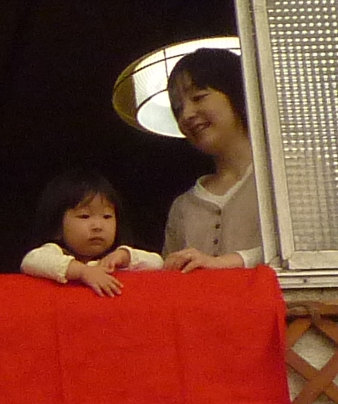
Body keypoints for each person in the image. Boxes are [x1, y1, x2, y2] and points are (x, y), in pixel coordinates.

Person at [162, 48, 261, 272]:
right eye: (178, 108)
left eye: (198, 97)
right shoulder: (182, 207)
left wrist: (229, 262)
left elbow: (308, 253)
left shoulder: (288, 177)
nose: (186, 114)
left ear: (238, 93)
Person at [21, 169, 163, 296]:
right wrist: (83, 272)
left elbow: (157, 263)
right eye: (84, 216)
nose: (98, 226)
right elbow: (31, 261)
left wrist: (124, 255)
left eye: (107, 216)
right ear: (57, 227)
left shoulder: (114, 260)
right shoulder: (54, 252)